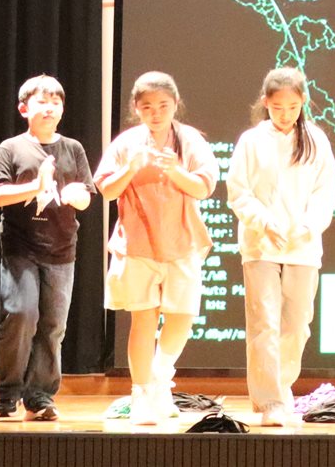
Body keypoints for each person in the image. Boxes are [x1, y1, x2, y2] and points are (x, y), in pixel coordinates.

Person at [96, 70, 219, 426]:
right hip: (138, 243)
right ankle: (141, 394)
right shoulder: (127, 143)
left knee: (182, 316)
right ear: (136, 108)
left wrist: (176, 170)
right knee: (143, 319)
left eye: (163, 105)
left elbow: (203, 188)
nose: (155, 113)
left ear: (175, 104)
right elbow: (107, 190)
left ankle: (160, 378)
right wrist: (130, 168)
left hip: (182, 241)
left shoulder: (189, 140)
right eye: (147, 106)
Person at [226, 67, 335, 427]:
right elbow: (238, 192)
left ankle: (283, 386)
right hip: (261, 245)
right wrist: (263, 221)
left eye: (292, 107)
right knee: (264, 322)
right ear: (265, 103)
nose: (285, 114)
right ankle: (269, 400)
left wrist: (307, 226)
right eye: (277, 108)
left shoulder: (316, 140)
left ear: (303, 102)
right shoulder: (251, 141)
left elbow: (325, 192)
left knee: (297, 323)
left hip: (303, 246)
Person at [0, 74, 95, 421]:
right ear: (24, 109)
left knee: (53, 326)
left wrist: (77, 196)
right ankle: (7, 393)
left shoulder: (73, 148)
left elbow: (85, 195)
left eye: (56, 102)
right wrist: (36, 185)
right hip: (20, 247)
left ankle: (39, 397)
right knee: (20, 314)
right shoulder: (11, 148)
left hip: (62, 249)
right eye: (42, 101)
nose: (50, 108)